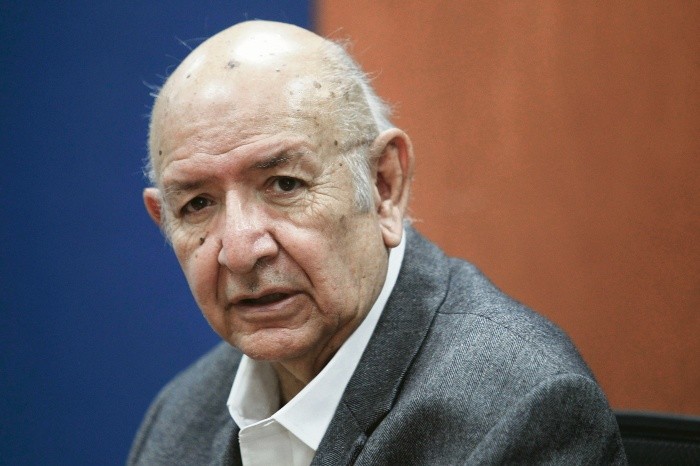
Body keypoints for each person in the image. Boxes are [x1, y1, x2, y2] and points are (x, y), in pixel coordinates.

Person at [129, 20, 626, 465]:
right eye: (198, 204)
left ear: (384, 185)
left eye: (284, 184)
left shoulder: (518, 408)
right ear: (164, 221)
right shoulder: (178, 420)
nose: (240, 251)